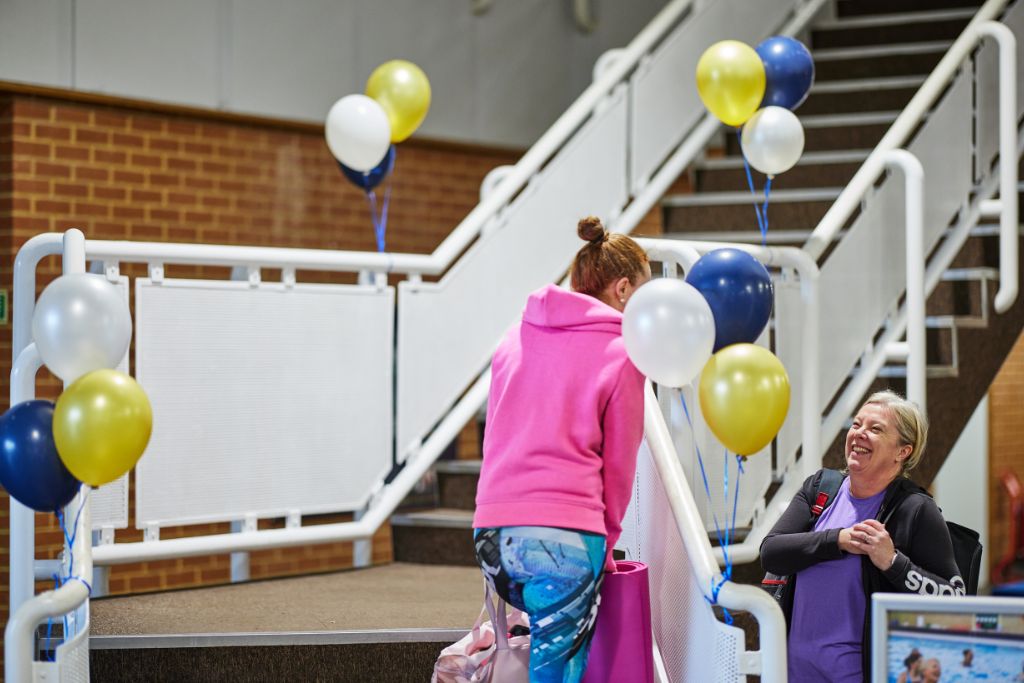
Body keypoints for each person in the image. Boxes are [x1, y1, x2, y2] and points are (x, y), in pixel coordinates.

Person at [471, 216, 651, 682]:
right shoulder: (623, 352)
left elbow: (495, 437)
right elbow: (618, 466)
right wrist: (607, 543)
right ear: (624, 289)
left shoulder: (514, 337)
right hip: (564, 540)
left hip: (492, 537)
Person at [761, 390, 965, 683]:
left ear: (902, 451)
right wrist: (838, 540)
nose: (858, 434)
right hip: (794, 670)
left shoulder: (916, 510)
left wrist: (893, 563)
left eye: (875, 429)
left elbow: (956, 599)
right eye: (856, 424)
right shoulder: (821, 488)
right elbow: (771, 552)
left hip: (861, 674)